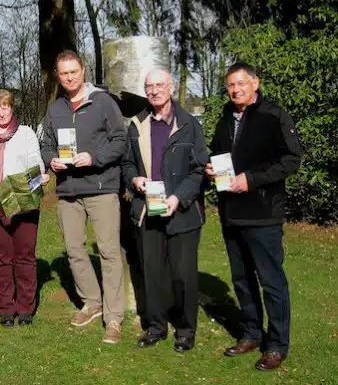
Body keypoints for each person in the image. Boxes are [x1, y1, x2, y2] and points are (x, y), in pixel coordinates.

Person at [206, 62, 301, 371]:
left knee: (271, 282)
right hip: (231, 213)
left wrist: (252, 179)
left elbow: (291, 159)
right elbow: (218, 154)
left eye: (241, 83)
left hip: (262, 213)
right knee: (242, 280)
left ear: (255, 83)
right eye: (230, 85)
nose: (235, 90)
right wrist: (212, 169)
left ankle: (276, 345)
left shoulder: (273, 116)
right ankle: (250, 333)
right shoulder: (223, 118)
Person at [40, 50, 127, 344]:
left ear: (83, 70)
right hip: (68, 191)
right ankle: (92, 302)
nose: (69, 78)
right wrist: (51, 160)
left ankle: (114, 317)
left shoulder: (103, 102)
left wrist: (95, 157)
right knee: (74, 250)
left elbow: (120, 141)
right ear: (58, 76)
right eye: (64, 74)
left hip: (101, 187)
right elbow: (47, 144)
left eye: (73, 72)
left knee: (109, 252)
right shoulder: (55, 109)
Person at [121, 69, 209, 352]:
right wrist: (134, 180)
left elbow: (199, 171)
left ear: (171, 88)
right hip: (148, 211)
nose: (155, 90)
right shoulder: (136, 124)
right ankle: (156, 327)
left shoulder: (189, 125)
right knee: (153, 273)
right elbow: (126, 164)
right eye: (149, 86)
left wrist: (179, 198)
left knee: (183, 275)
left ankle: (185, 329)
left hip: (182, 212)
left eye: (160, 85)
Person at [0, 89, 49, 327]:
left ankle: (25, 308)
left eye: (5, 107)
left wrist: (40, 177)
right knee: (0, 259)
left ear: (12, 108)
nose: (1, 112)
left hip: (22, 203)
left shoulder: (25, 134)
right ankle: (6, 309)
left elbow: (36, 163)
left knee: (24, 256)